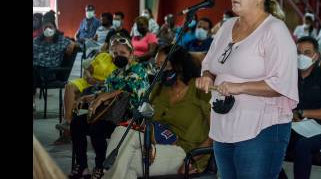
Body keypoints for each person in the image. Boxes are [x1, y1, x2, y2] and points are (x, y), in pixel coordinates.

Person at [195, 0, 298, 178]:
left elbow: (281, 84)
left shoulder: (275, 30)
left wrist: (240, 87)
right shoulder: (227, 26)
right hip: (224, 125)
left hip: (262, 129)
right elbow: (210, 64)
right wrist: (207, 76)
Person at [104, 45, 212, 178]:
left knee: (126, 160)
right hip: (155, 141)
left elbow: (216, 134)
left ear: (179, 64)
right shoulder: (158, 87)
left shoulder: (199, 88)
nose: (160, 70)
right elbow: (145, 120)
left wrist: (193, 159)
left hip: (186, 152)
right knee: (120, 132)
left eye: (164, 64)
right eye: (157, 66)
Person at [69, 36, 149, 179]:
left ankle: (102, 166)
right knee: (77, 124)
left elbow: (127, 91)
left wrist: (103, 97)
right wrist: (88, 97)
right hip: (109, 114)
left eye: (122, 53)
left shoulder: (139, 70)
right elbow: (104, 92)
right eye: (115, 53)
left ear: (131, 54)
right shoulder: (114, 73)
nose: (118, 56)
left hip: (129, 117)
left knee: (97, 128)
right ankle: (82, 166)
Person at [284, 36, 321, 179]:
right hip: (295, 126)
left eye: (307, 52)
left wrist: (303, 113)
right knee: (269, 139)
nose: (301, 56)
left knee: (303, 145)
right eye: (298, 52)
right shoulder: (289, 77)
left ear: (316, 56)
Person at [55, 40, 118, 135]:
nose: (114, 51)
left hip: (102, 86)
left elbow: (114, 81)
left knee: (73, 99)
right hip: (88, 81)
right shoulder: (103, 56)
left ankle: (67, 133)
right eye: (112, 48)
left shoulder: (120, 63)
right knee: (69, 87)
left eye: (117, 50)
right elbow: (88, 69)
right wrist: (88, 76)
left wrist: (99, 82)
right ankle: (67, 120)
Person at [33, 14, 77, 110]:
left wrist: (72, 44)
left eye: (50, 27)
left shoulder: (61, 40)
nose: (48, 29)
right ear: (42, 29)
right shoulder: (37, 41)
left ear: (55, 28)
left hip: (51, 73)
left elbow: (77, 45)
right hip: (37, 71)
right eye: (45, 27)